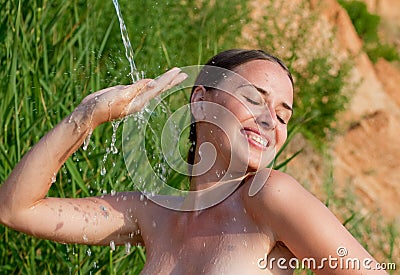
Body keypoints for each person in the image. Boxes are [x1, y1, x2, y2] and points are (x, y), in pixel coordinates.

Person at [0, 49, 387, 274]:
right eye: (254, 99)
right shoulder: (153, 214)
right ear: (201, 99)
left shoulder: (271, 195)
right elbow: (17, 209)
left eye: (283, 115)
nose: (271, 120)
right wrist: (88, 115)